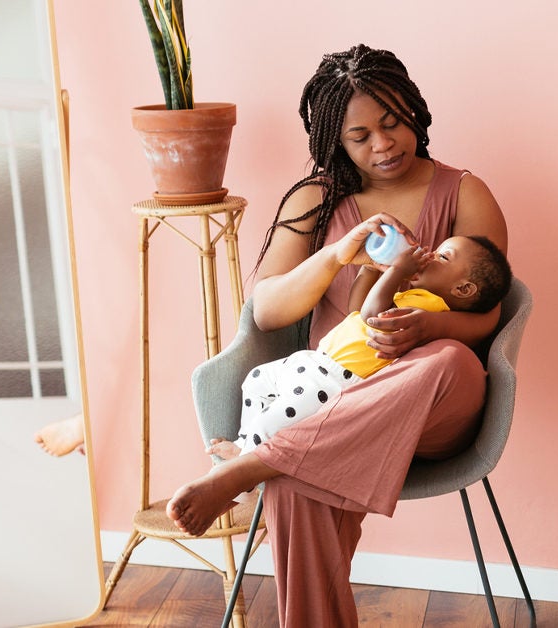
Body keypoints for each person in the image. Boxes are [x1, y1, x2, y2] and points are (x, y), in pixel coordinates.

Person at [165, 43, 508, 627]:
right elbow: (267, 312)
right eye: (360, 135)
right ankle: (273, 463)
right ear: (334, 141)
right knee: (295, 477)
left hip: (435, 407)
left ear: (414, 112)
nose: (383, 144)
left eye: (392, 122)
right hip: (331, 404)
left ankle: (253, 462)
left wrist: (430, 325)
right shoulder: (315, 201)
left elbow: (491, 312)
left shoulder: (464, 193)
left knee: (448, 359)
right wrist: (335, 255)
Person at [208, 234, 511, 459]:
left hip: (337, 382)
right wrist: (373, 270)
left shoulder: (429, 312)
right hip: (316, 362)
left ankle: (243, 474)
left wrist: (395, 272)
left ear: (462, 289)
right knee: (256, 379)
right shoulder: (413, 297)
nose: (430, 255)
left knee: (271, 422)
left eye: (444, 257)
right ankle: (244, 443)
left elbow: (371, 317)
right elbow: (356, 309)